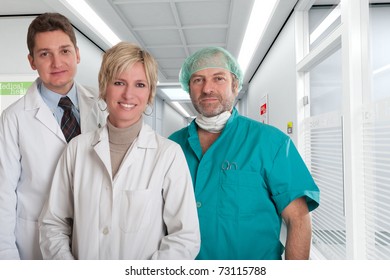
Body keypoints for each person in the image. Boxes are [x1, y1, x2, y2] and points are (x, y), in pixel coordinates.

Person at [39, 42, 200, 260]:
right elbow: (53, 225)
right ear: (104, 87)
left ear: (150, 93)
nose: (128, 94)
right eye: (119, 82)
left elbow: (185, 238)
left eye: (140, 85)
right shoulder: (76, 149)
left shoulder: (169, 155)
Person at [169, 46, 320, 260]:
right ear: (188, 87)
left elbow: (298, 220)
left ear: (235, 84)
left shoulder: (271, 143)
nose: (207, 89)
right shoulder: (172, 146)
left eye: (218, 78)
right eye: (198, 80)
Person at [0, 13, 107, 260]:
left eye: (65, 51)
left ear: (77, 54)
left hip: (93, 239)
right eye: (45, 54)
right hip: (34, 245)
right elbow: (3, 195)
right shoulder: (14, 118)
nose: (57, 62)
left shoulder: (102, 105)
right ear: (32, 61)